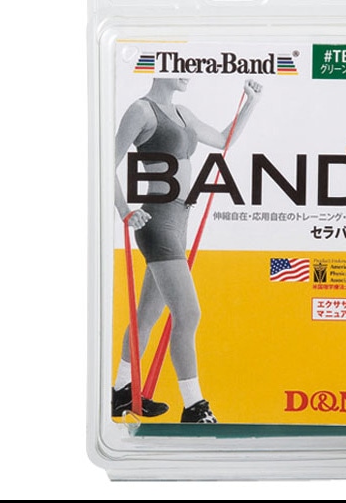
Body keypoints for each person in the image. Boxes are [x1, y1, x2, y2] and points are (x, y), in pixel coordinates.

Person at [112, 76, 262, 423]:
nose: (187, 73)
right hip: (158, 221)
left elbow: (223, 140)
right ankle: (194, 406)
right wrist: (125, 211)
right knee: (189, 314)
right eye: (179, 66)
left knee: (146, 317)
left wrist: (250, 102)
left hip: (179, 220)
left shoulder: (182, 113)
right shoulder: (141, 110)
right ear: (160, 67)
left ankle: (121, 391)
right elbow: (106, 162)